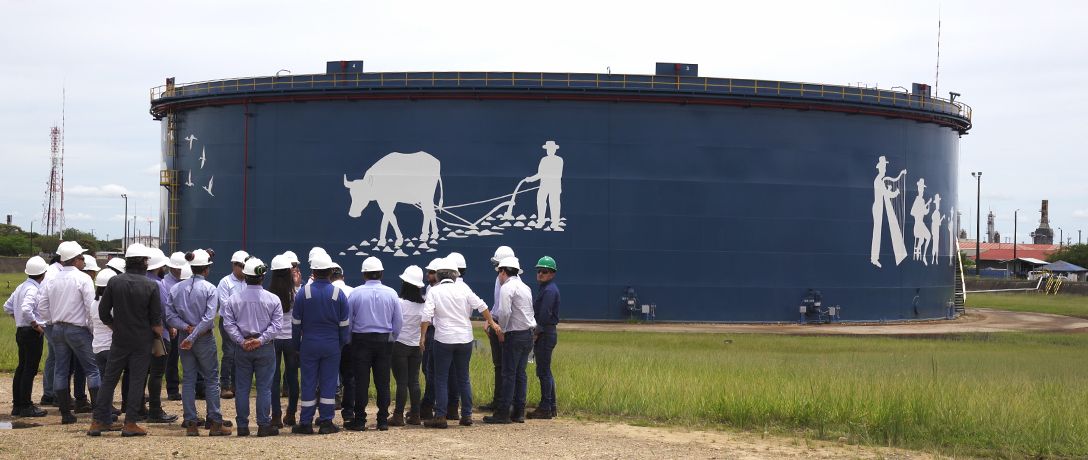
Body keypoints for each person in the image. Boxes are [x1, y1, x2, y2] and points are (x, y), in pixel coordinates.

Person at [88, 244, 164, 437]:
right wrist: (158, 338)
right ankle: (130, 423)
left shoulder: (114, 282)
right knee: (137, 380)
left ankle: (98, 421)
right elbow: (156, 321)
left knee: (109, 380)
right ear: (143, 263)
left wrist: (115, 327)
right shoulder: (151, 285)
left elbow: (103, 312)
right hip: (142, 341)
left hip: (119, 339)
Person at [420, 257, 503, 428]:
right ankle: (466, 415)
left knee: (441, 378)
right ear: (455, 275)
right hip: (465, 338)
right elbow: (482, 306)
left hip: (443, 339)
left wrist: (422, 337)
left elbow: (426, 317)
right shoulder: (463, 289)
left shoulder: (434, 291)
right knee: (463, 377)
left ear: (439, 275)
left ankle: (440, 416)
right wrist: (493, 323)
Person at [169, 249, 232, 437]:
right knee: (211, 379)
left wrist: (187, 330)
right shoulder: (210, 289)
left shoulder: (176, 289)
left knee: (188, 379)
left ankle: (190, 422)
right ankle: (214, 422)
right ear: (206, 269)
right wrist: (194, 334)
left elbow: (169, 316)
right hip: (203, 338)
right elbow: (208, 318)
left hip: (184, 338)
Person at [38, 241, 100, 425]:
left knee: (61, 370)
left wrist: (53, 319)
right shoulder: (83, 278)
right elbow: (90, 307)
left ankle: (66, 414)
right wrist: (91, 328)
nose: (83, 261)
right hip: (78, 329)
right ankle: (99, 413)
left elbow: (42, 307)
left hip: (57, 328)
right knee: (93, 370)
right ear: (75, 260)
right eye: (82, 258)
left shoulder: (51, 278)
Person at [222, 258, 283, 437]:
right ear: (262, 276)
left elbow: (228, 324)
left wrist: (241, 341)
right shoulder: (273, 299)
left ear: (246, 276)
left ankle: (242, 426)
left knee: (242, 388)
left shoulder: (234, 299)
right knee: (264, 388)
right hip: (264, 347)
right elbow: (277, 325)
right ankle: (264, 425)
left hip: (243, 347)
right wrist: (261, 339)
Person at [292, 253, 351, 435]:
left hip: (309, 343)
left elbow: (296, 324)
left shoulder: (304, 292)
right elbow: (344, 325)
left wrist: (297, 345)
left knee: (309, 382)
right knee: (328, 382)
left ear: (313, 272)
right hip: (331, 344)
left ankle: (305, 422)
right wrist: (340, 344)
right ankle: (326, 422)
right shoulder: (338, 293)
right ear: (330, 271)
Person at [344, 257, 401, 431]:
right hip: (384, 341)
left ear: (364, 274)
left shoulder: (356, 293)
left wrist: (349, 340)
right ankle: (382, 420)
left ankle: (360, 420)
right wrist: (392, 338)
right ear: (382, 273)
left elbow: (348, 321)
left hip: (361, 340)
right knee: (383, 381)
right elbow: (398, 321)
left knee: (361, 381)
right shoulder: (391, 293)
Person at [484, 257, 536, 424]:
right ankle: (519, 411)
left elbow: (504, 312)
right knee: (521, 374)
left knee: (508, 374)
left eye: (499, 271)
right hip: (527, 334)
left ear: (503, 272)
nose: (498, 275)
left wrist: (502, 330)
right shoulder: (525, 287)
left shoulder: (507, 288)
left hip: (513, 335)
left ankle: (503, 412)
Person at [5, 256, 49, 417]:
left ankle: (18, 405)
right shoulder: (33, 289)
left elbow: (7, 306)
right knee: (29, 369)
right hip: (31, 332)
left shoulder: (21, 286)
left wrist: (20, 321)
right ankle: (26, 405)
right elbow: (26, 308)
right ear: (43, 273)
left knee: (22, 368)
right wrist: (35, 324)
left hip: (21, 331)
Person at [142, 249, 179, 423]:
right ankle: (155, 410)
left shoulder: (140, 281)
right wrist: (170, 326)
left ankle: (139, 407)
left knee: (141, 372)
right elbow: (165, 309)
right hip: (159, 335)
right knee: (156, 373)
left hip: (140, 334)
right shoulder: (159, 284)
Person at [480, 246, 515, 412]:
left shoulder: (508, 282)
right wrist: (490, 319)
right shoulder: (501, 279)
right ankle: (499, 399)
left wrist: (496, 324)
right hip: (498, 324)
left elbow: (505, 307)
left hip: (504, 327)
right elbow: (497, 303)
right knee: (499, 365)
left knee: (504, 366)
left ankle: (504, 402)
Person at [391, 265, 426, 426]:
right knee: (414, 381)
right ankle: (416, 415)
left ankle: (398, 415)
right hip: (416, 345)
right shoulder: (423, 304)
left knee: (401, 382)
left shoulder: (399, 303)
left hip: (400, 345)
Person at [268, 255, 300, 428]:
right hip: (291, 340)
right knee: (293, 377)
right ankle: (291, 414)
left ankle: (276, 416)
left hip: (274, 339)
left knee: (274, 379)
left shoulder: (269, 294)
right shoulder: (296, 292)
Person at [528, 256, 560, 419]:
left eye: (544, 271)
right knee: (546, 371)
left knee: (543, 372)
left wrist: (535, 334)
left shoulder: (548, 290)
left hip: (545, 333)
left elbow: (544, 315)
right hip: (547, 333)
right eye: (539, 271)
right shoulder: (546, 288)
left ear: (552, 274)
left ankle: (545, 407)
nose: (540, 274)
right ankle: (551, 406)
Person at [216, 250, 250, 399]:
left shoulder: (249, 281)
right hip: (229, 322)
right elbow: (224, 303)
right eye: (241, 265)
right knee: (229, 353)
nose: (243, 268)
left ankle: (237, 385)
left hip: (244, 322)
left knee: (241, 354)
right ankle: (225, 385)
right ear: (234, 265)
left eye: (245, 265)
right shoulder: (225, 282)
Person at [330, 263, 356, 423]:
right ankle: (348, 413)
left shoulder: (325, 291)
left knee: (329, 374)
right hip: (349, 339)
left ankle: (328, 414)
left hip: (330, 338)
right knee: (350, 377)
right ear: (343, 277)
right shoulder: (353, 291)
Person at [163, 252, 189, 401]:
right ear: (171, 268)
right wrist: (170, 325)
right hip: (173, 326)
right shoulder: (165, 283)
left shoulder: (186, 280)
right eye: (178, 269)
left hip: (186, 325)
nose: (180, 272)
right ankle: (172, 389)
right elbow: (166, 306)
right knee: (172, 358)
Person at [525, 140, 564, 231]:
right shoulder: (543, 160)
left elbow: (558, 174)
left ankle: (555, 222)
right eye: (548, 149)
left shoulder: (559, 160)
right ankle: (541, 221)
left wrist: (545, 175)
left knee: (554, 203)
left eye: (551, 149)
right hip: (543, 186)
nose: (549, 150)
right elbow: (539, 174)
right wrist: (530, 179)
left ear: (554, 150)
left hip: (554, 186)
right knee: (540, 201)